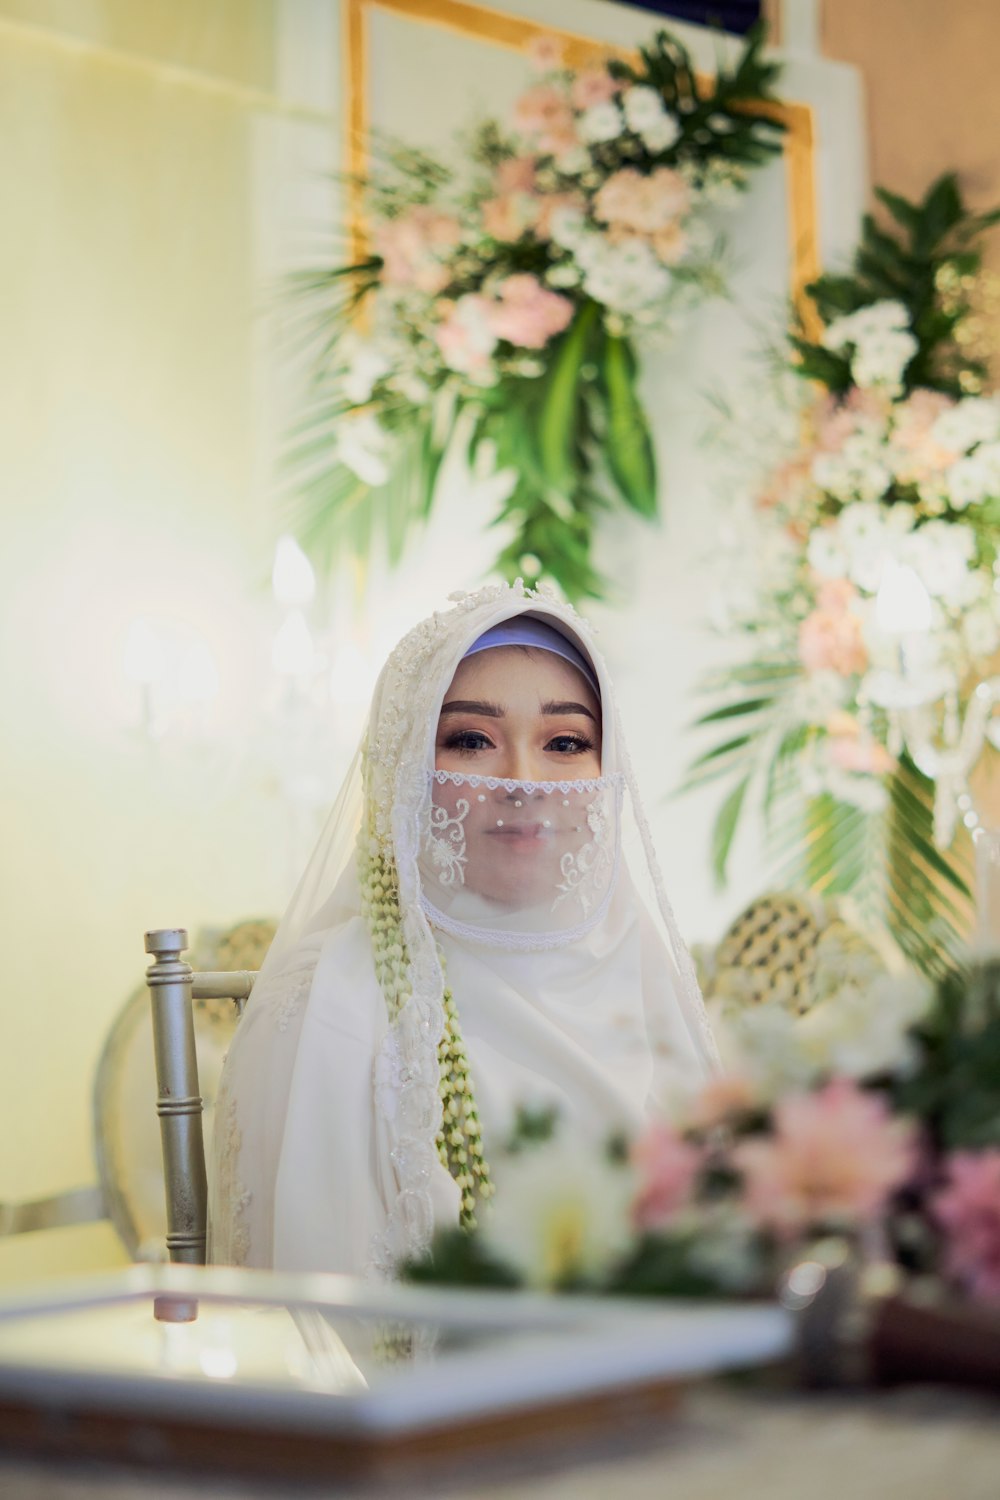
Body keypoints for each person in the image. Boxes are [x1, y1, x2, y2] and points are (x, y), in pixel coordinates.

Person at [209, 581, 718, 1277]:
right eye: (471, 740)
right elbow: (325, 1334)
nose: (524, 781)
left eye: (566, 741)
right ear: (403, 768)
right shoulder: (333, 1003)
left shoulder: (646, 971)